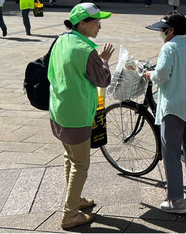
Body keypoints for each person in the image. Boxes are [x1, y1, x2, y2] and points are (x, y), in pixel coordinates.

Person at [47, 3, 115, 229]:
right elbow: (103, 80)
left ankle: (74, 201)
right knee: (80, 164)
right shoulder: (86, 50)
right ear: (82, 23)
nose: (100, 26)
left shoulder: (62, 40)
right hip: (76, 115)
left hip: (59, 110)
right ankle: (70, 214)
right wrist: (104, 60)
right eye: (96, 21)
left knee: (70, 158)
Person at [144, 11, 186, 214]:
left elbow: (162, 75)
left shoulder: (169, 47)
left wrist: (149, 74)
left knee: (172, 153)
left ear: (171, 30)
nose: (161, 34)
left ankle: (176, 200)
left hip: (174, 108)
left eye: (163, 30)